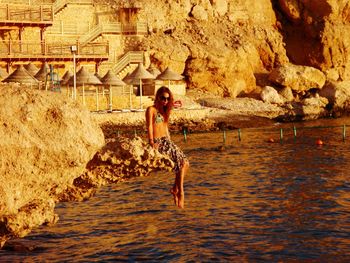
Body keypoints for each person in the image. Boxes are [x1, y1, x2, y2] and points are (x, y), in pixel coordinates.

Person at [146, 86, 189, 209]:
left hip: (167, 141)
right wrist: (151, 142)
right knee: (182, 162)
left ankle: (175, 188)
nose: (165, 101)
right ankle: (180, 191)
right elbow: (149, 126)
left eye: (167, 99)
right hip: (158, 141)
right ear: (157, 97)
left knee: (186, 163)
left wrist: (170, 141)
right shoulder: (151, 110)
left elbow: (165, 127)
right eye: (163, 98)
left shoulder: (165, 111)